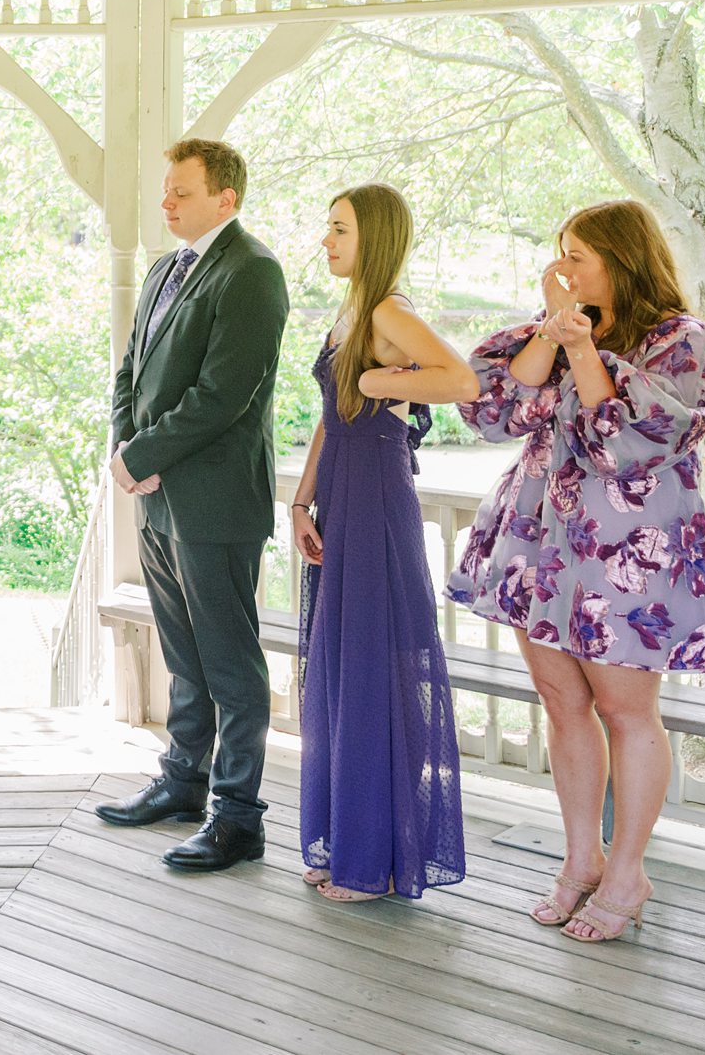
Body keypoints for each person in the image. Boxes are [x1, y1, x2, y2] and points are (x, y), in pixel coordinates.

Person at [448, 198, 705, 945]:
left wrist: (583, 348)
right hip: (544, 543)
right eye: (562, 252)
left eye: (578, 254)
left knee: (626, 709)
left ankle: (628, 868)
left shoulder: (682, 341)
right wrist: (556, 330)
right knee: (559, 697)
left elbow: (626, 447)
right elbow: (491, 413)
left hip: (628, 557)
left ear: (622, 258)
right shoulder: (561, 325)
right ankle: (581, 857)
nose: (562, 267)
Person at [93, 138, 289, 875]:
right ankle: (183, 780)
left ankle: (238, 817)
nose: (166, 203)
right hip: (159, 496)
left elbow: (223, 395)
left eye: (181, 191)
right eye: (165, 190)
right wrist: (127, 448)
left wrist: (143, 456)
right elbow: (131, 369)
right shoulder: (165, 268)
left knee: (231, 666)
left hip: (215, 500)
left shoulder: (253, 272)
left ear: (225, 198)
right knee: (184, 655)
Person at [290, 185, 473, 902]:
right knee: (338, 664)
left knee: (372, 663)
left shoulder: (390, 312)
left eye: (339, 229)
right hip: (339, 491)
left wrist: (380, 376)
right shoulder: (350, 311)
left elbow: (460, 378)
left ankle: (374, 860)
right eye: (326, 227)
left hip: (377, 498)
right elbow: (330, 417)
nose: (326, 241)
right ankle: (349, 839)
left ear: (376, 237)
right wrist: (302, 499)